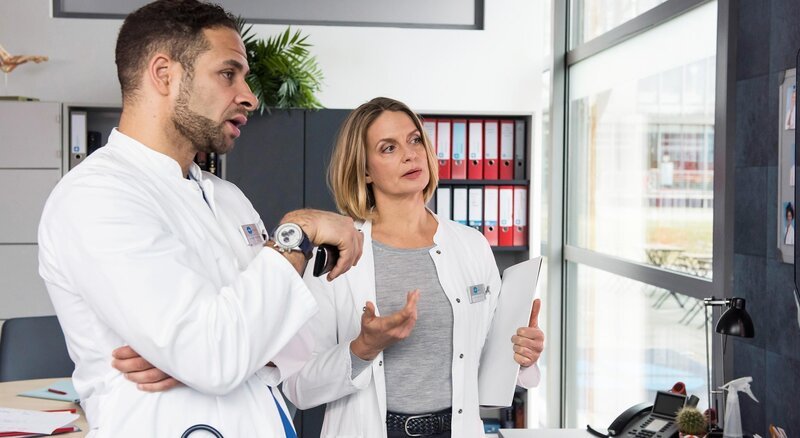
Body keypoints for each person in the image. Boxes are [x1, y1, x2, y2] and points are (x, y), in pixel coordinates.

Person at [37, 0, 362, 436]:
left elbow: (296, 346)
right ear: (164, 74)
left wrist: (196, 357)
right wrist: (296, 234)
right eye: (228, 74)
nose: (249, 96)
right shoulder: (96, 196)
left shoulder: (227, 198)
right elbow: (215, 355)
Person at [280, 97, 545, 438]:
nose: (410, 155)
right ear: (364, 169)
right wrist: (363, 348)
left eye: (415, 139)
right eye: (389, 148)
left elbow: (487, 359)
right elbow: (298, 386)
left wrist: (523, 354)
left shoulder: (471, 245)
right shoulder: (333, 255)